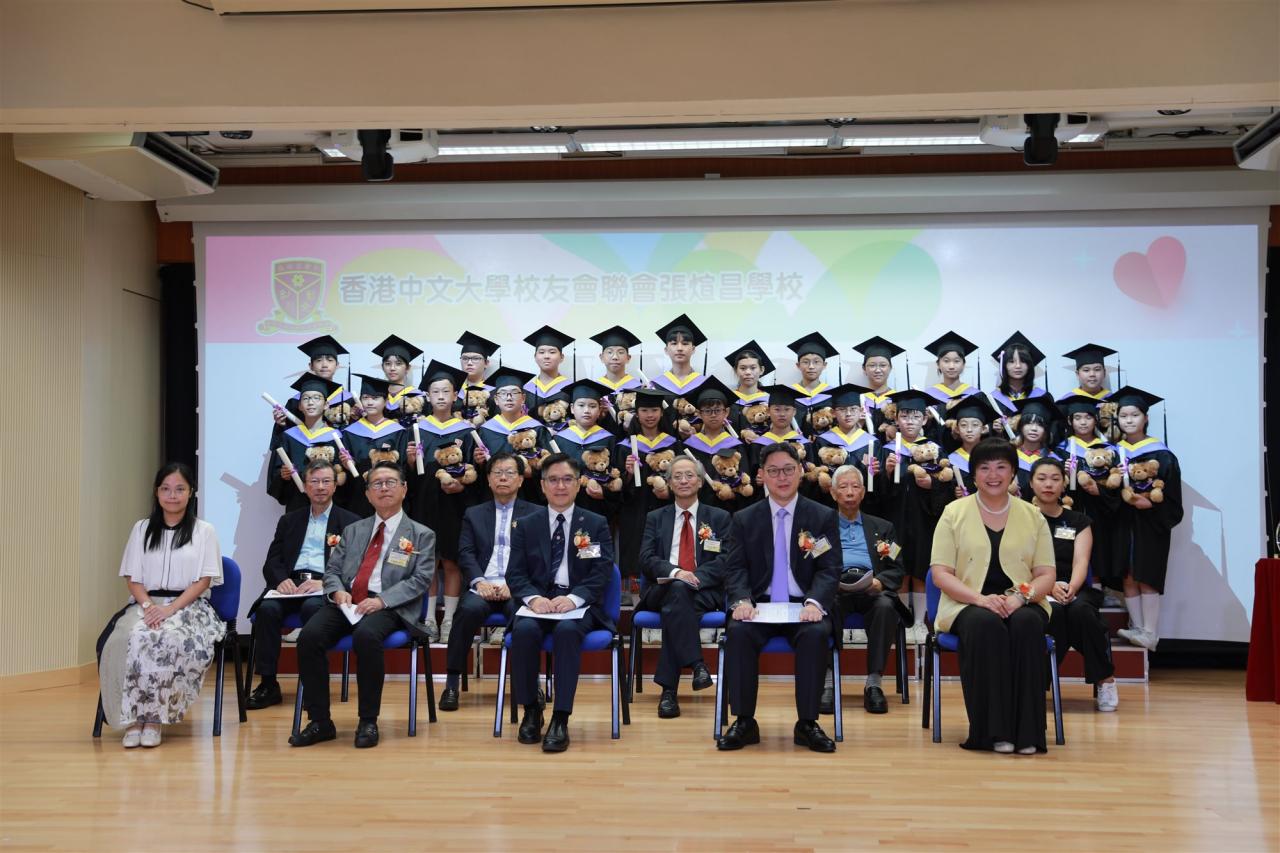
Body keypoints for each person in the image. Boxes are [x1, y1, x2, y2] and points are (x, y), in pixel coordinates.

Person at [289, 461, 435, 749]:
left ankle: (368, 720)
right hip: (348, 602)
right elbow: (332, 570)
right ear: (367, 494)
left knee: (366, 637)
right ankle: (320, 721)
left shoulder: (421, 534)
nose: (384, 488)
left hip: (389, 605)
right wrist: (336, 592)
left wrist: (381, 600)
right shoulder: (354, 530)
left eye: (390, 482)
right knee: (309, 637)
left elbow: (420, 580)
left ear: (404, 489)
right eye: (376, 484)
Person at [930, 438, 1057, 754]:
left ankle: (1028, 734)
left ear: (1013, 472)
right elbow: (941, 574)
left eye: (1001, 467)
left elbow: (1046, 575)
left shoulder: (1033, 515)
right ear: (973, 474)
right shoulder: (953, 513)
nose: (993, 475)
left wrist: (1020, 597)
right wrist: (981, 600)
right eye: (984, 468)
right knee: (984, 624)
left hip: (1023, 600)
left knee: (1027, 624)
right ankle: (991, 732)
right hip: (967, 603)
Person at [717, 442, 840, 753]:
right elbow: (735, 568)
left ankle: (807, 723)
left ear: (800, 472)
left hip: (803, 606)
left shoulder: (821, 516)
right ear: (762, 476)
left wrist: (815, 602)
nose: (782, 477)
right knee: (738, 632)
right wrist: (742, 600)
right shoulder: (744, 518)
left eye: (788, 470)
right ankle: (744, 721)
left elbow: (828, 568)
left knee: (815, 634)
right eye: (773, 471)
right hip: (760, 605)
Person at [97, 463, 225, 749]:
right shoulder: (141, 529)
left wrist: (169, 610)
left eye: (180, 489)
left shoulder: (204, 531)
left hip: (189, 606)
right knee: (127, 638)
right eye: (166, 489)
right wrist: (148, 606)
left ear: (191, 492)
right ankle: (133, 720)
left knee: (167, 638)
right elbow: (133, 578)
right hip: (146, 603)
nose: (172, 495)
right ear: (156, 492)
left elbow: (204, 581)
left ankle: (154, 718)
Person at [506, 453, 615, 753]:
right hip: (537, 603)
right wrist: (534, 598)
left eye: (567, 479)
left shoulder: (595, 523)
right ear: (542, 486)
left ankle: (560, 717)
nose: (560, 486)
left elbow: (601, 571)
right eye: (553, 480)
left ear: (579, 484)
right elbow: (515, 573)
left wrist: (573, 598)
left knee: (567, 633)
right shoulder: (526, 525)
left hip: (578, 604)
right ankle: (531, 709)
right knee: (524, 631)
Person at [246, 459, 359, 710]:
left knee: (312, 609)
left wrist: (325, 583)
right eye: (314, 482)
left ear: (335, 486)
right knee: (267, 610)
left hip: (323, 585)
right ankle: (268, 684)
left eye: (326, 481)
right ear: (305, 487)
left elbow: (354, 567)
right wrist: (280, 580)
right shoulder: (290, 520)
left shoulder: (351, 522)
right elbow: (272, 560)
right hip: (291, 584)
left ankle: (313, 686)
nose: (320, 487)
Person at [439, 452, 538, 711]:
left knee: (525, 618)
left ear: (520, 480)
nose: (503, 478)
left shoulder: (536, 514)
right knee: (466, 611)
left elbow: (538, 558)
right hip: (482, 586)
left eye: (510, 473)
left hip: (516, 587)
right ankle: (451, 684)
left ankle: (529, 684)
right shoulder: (474, 514)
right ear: (489, 479)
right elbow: (466, 553)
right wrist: (479, 581)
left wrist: (515, 585)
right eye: (497, 473)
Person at [637, 455, 731, 718]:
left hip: (704, 591)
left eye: (689, 475)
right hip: (661, 589)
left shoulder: (719, 517)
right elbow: (646, 558)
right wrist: (677, 573)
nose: (683, 480)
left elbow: (726, 560)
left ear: (700, 482)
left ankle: (669, 691)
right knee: (677, 591)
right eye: (677, 476)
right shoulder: (656, 517)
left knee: (677, 604)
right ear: (669, 483)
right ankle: (696, 663)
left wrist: (694, 577)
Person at [1028, 457, 1118, 711]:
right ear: (1031, 483)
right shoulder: (1021, 518)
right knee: (1054, 612)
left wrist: (1071, 588)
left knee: (1081, 611)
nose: (1048, 484)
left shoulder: (1078, 521)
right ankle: (1037, 685)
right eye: (1042, 479)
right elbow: (1020, 562)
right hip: (1036, 586)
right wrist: (1048, 586)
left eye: (1055, 479)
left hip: (1074, 587)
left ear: (1064, 483)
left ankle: (1105, 680)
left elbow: (1081, 561)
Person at [818, 464, 906, 716]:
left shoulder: (883, 527)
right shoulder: (821, 527)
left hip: (872, 589)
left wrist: (880, 582)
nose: (849, 492)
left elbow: (897, 567)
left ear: (863, 492)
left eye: (855, 486)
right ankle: (827, 681)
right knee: (822, 607)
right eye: (843, 487)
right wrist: (828, 581)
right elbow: (811, 563)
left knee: (886, 606)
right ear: (833, 493)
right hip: (835, 590)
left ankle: (874, 683)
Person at [406, 360, 478, 643]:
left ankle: (448, 619)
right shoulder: (416, 429)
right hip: (424, 504)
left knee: (451, 561)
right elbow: (408, 476)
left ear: (455, 395)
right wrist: (409, 461)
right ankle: (428, 619)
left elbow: (473, 472)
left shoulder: (466, 431)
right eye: (434, 391)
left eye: (445, 391)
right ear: (427, 396)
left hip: (454, 505)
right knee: (427, 562)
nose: (440, 396)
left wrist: (461, 484)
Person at [1110, 386, 1184, 651]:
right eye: (1123, 416)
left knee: (1147, 575)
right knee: (1128, 575)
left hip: (1150, 524)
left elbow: (1172, 498)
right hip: (1122, 523)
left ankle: (1151, 633)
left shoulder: (1162, 455)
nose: (1129, 420)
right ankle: (1138, 628)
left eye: (1135, 415)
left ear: (1146, 418)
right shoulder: (1113, 453)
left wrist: (1148, 505)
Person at [874, 389, 947, 643]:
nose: (909, 421)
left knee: (919, 568)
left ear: (925, 419)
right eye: (904, 416)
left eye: (915, 416)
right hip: (894, 520)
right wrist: (885, 473)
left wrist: (932, 485)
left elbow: (945, 485)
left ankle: (919, 621)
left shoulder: (934, 449)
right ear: (896, 419)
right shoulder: (885, 449)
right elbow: (876, 493)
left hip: (923, 520)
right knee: (899, 569)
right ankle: (904, 620)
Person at [1055, 394, 1121, 594]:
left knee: (1098, 554)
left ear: (1095, 420)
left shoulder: (1109, 450)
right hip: (1070, 511)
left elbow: (1115, 488)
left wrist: (1099, 490)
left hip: (1099, 513)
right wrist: (1065, 473)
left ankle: (1097, 595)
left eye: (1088, 417)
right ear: (1070, 421)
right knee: (1068, 551)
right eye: (1077, 418)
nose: (1083, 422)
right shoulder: (1061, 450)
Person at [618, 388, 679, 580]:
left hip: (665, 506)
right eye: (644, 410)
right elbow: (618, 489)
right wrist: (628, 474)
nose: (650, 415)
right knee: (635, 549)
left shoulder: (673, 444)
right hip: (635, 509)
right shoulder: (625, 446)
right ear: (637, 413)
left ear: (661, 413)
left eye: (654, 410)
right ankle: (634, 588)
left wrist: (669, 492)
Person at [268, 373, 348, 511]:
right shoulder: (289, 437)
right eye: (306, 398)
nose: (310, 402)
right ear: (299, 406)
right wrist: (283, 475)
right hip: (297, 504)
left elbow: (345, 479)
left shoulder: (337, 437)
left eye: (317, 398)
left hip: (330, 506)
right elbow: (276, 473)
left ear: (326, 405)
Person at [474, 367, 552, 503]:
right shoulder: (485, 431)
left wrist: (533, 473)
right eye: (503, 393)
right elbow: (479, 476)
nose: (509, 397)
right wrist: (479, 463)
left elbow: (550, 466)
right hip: (494, 498)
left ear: (523, 398)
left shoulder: (537, 429)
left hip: (530, 498)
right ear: (496, 400)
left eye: (514, 393)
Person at [338, 373, 408, 516]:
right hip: (358, 496)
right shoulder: (349, 432)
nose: (370, 402)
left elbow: (403, 466)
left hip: (388, 495)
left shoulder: (398, 432)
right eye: (365, 398)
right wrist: (347, 466)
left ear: (386, 401)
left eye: (375, 398)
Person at [551, 379, 619, 520]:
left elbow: (615, 475)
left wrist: (604, 493)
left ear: (599, 410)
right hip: (565, 505)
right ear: (572, 408)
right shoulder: (559, 439)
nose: (587, 410)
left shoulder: (609, 439)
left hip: (598, 507)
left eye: (592, 406)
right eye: (581, 405)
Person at [682, 377, 751, 513]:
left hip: (729, 510)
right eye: (707, 411)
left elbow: (745, 481)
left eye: (718, 410)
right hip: (695, 509)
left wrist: (732, 495)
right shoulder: (690, 446)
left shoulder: (736, 446)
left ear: (726, 412)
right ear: (699, 414)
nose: (713, 415)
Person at [269, 335, 354, 435]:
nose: (324, 365)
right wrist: (282, 424)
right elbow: (286, 438)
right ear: (311, 366)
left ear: (337, 365)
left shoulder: (349, 400)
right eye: (318, 360)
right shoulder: (296, 402)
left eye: (330, 360)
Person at [810, 382, 875, 504]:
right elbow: (814, 477)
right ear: (833, 413)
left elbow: (879, 485)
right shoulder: (822, 441)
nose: (848, 414)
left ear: (861, 411)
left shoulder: (872, 442)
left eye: (853, 409)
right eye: (842, 409)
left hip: (864, 504)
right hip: (829, 504)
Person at [650, 314, 708, 440]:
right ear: (666, 350)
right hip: (663, 446)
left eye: (685, 343)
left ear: (693, 349)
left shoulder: (704, 384)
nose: (680, 348)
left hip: (697, 444)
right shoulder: (655, 386)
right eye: (674, 343)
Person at [853, 336, 905, 445]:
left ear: (890, 368)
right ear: (864, 369)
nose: (877, 370)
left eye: (883, 365)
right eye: (872, 365)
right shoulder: (856, 400)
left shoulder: (899, 400)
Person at [1060, 343, 1118, 441]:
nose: (1092, 374)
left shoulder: (1114, 400)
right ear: (1077, 374)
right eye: (1086, 370)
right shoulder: (1065, 402)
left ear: (1104, 372)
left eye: (1097, 369)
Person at [590, 325, 643, 433]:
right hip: (600, 440)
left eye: (621, 352)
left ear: (628, 358)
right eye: (610, 352)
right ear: (601, 357)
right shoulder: (594, 388)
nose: (615, 357)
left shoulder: (638, 388)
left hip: (630, 440)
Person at [785, 332, 839, 437]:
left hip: (826, 445)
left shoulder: (832, 394)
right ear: (798, 365)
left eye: (816, 362)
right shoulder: (789, 394)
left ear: (824, 365)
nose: (811, 366)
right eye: (805, 362)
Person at [989, 331, 1049, 425]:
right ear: (1004, 366)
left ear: (1029, 365)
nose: (1018, 366)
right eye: (1011, 361)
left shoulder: (1042, 397)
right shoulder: (993, 399)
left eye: (1023, 361)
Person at [944, 396, 1000, 494]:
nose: (969, 430)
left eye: (975, 425)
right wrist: (955, 494)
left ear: (983, 429)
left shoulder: (994, 457)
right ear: (957, 429)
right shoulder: (952, 461)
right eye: (964, 425)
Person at [1011, 397, 1063, 499]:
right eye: (1029, 423)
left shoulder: (1054, 460)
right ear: (1020, 426)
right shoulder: (1010, 457)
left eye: (1040, 425)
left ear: (1046, 430)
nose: (1034, 429)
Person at [723, 340, 774, 442]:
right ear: (736, 370)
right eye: (743, 368)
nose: (748, 372)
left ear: (762, 370)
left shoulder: (770, 400)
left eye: (753, 368)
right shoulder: (728, 400)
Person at [371, 334, 425, 424]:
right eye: (388, 364)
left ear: (408, 368)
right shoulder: (375, 397)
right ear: (382, 367)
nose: (392, 368)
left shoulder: (417, 397)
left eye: (398, 363)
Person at [922, 331, 980, 415]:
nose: (951, 366)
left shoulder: (975, 395)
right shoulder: (929, 396)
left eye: (956, 361)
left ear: (963, 365)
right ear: (938, 364)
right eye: (946, 361)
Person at [522, 325, 574, 413]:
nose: (546, 356)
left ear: (561, 357)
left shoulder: (570, 388)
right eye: (541, 352)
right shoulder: (526, 389)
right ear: (535, 357)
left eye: (552, 352)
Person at [456, 330, 500, 426]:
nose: (469, 363)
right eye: (465, 358)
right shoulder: (453, 391)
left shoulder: (494, 393)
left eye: (476, 358)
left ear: (486, 363)